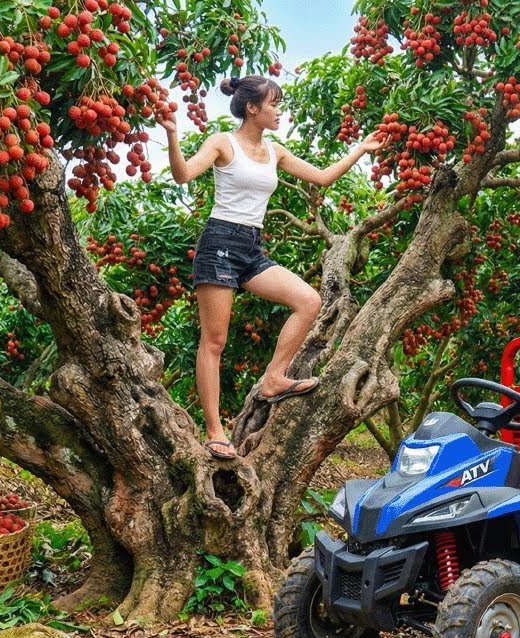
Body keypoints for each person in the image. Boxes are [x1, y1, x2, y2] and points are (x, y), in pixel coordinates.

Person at [161, 76, 382, 460]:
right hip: (220, 242)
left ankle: (274, 378)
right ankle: (214, 430)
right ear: (252, 108)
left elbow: (323, 177)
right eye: (274, 104)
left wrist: (360, 149)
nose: (279, 111)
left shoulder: (274, 151)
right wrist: (171, 135)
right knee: (214, 341)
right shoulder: (222, 142)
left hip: (251, 246)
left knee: (309, 301)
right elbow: (183, 174)